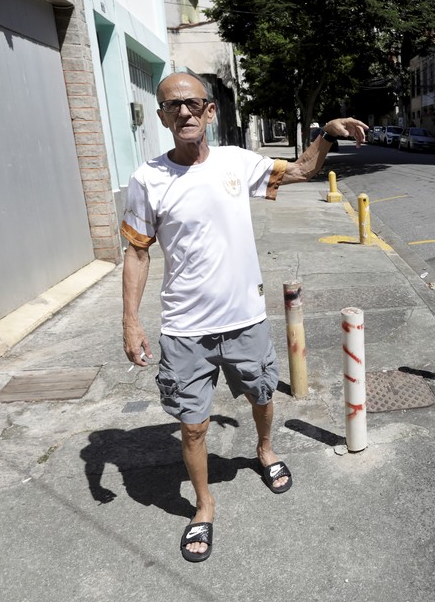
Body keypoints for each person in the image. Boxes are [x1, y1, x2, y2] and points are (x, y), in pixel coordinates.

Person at [120, 72, 367, 563]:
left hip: (245, 319)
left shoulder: (236, 162)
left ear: (210, 111)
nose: (185, 113)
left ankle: (265, 449)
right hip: (185, 328)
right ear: (162, 116)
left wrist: (327, 133)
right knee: (193, 426)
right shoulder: (147, 179)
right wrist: (131, 321)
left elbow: (299, 171)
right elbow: (137, 254)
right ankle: (204, 506)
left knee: (260, 395)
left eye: (193, 104)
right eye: (173, 106)